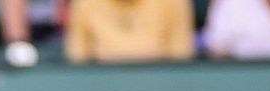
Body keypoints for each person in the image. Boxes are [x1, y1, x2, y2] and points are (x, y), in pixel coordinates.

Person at [64, 0, 194, 62]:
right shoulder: (84, 4)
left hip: (160, 90)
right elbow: (77, 61)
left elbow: (180, 61)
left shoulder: (174, 3)